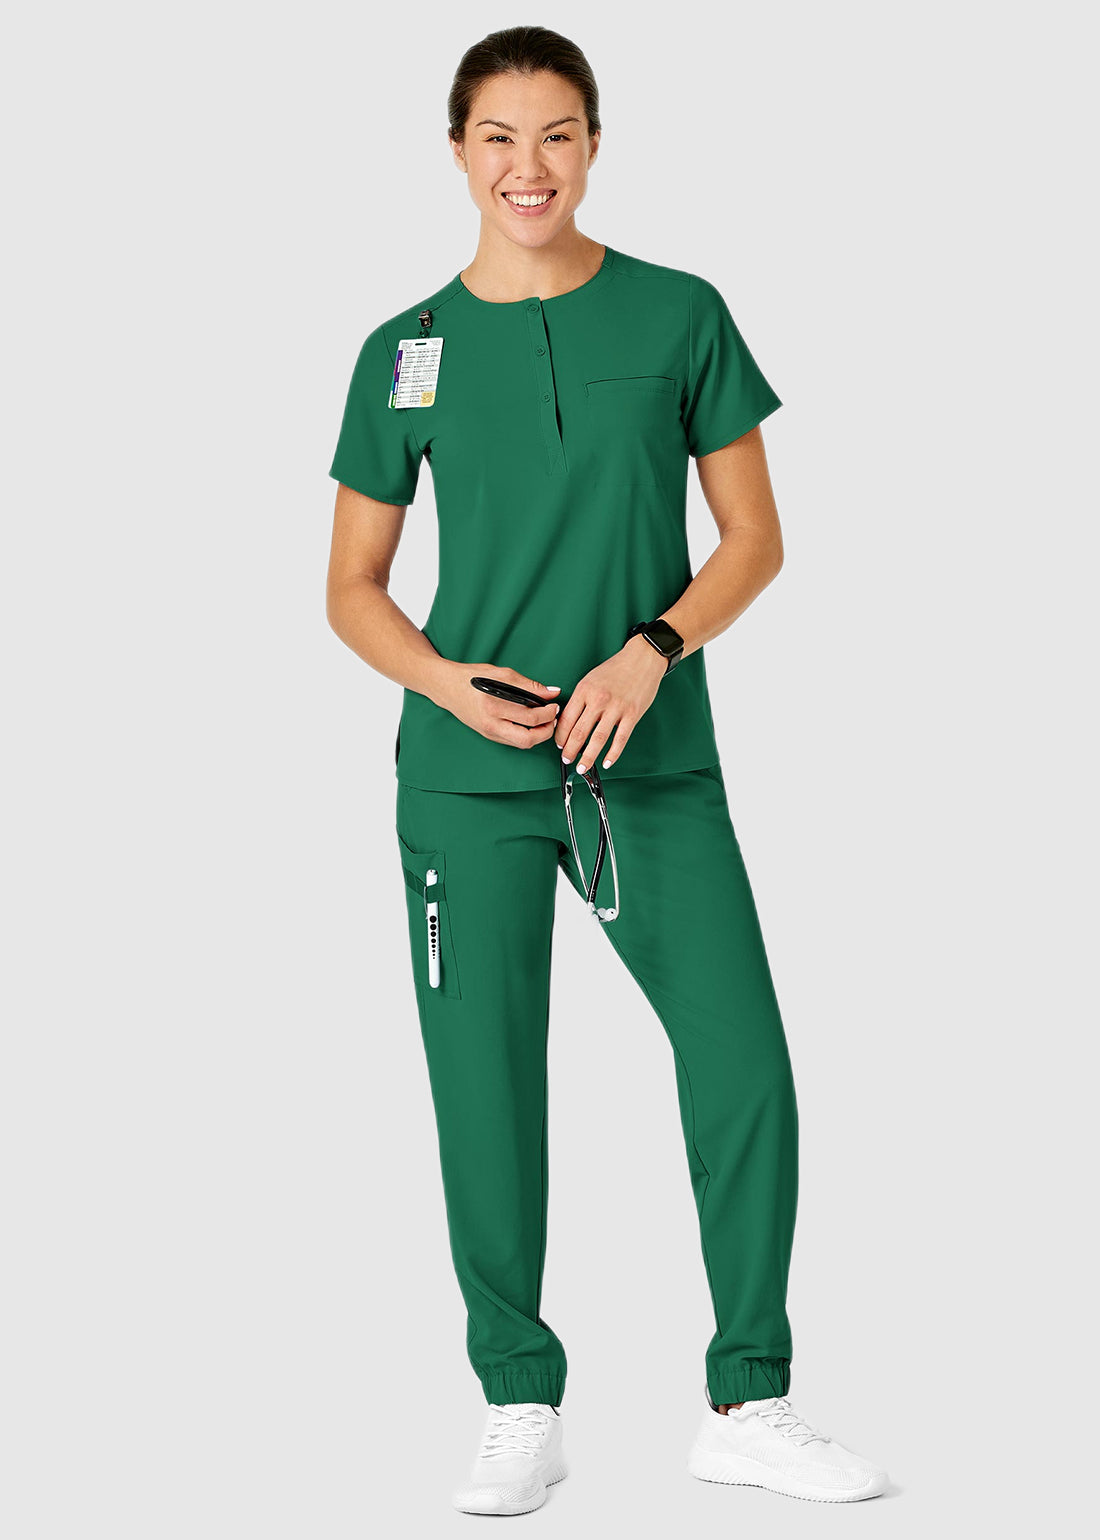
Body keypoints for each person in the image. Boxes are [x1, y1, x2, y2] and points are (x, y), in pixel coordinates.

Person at [325, 24, 889, 1516]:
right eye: (498, 137)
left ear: (593, 145)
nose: (529, 166)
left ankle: (750, 1399)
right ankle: (519, 1399)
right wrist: (443, 681)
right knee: (487, 1089)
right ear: (458, 152)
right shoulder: (401, 350)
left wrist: (653, 649)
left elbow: (755, 541)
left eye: (557, 134)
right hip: (468, 780)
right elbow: (353, 589)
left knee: (743, 1063)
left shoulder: (681, 313)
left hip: (648, 760)